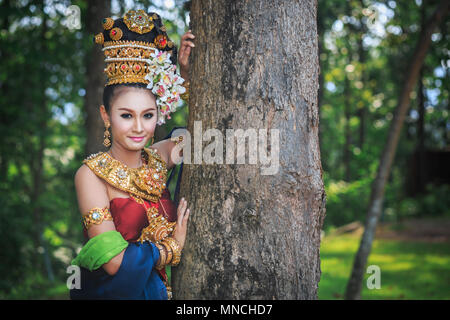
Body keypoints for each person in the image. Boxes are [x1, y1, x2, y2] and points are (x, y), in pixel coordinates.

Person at [69, 9, 195, 300]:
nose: (139, 127)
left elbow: (204, 138)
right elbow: (113, 263)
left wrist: (186, 80)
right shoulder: (91, 175)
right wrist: (171, 247)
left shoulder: (159, 157)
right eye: (126, 115)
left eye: (148, 115)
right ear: (106, 115)